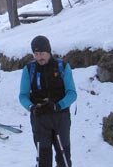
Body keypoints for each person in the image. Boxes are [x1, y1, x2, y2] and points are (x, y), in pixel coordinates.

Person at [19, 35, 77, 167]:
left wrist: (58, 105)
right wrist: (31, 107)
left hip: (60, 117)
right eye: (36, 54)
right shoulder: (29, 69)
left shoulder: (62, 66)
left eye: (42, 53)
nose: (40, 57)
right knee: (43, 160)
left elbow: (72, 93)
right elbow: (23, 95)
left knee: (64, 159)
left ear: (49, 51)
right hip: (40, 119)